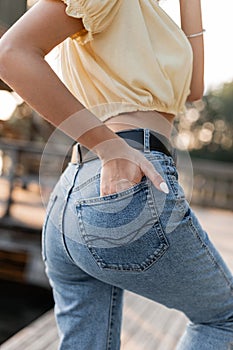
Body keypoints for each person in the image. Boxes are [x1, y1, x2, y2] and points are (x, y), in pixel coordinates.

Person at [0, 0, 232, 349]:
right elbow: (11, 53)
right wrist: (111, 147)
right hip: (123, 177)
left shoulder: (144, 13)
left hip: (75, 194)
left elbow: (193, 90)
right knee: (225, 319)